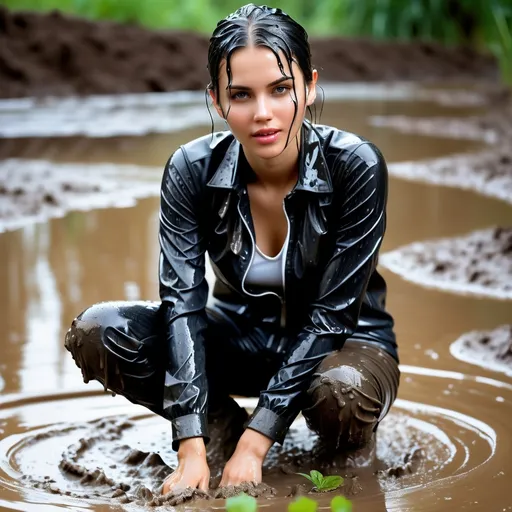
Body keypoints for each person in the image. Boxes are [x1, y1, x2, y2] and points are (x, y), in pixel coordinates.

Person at [64, 3, 400, 495]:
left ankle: (343, 450)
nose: (262, 113)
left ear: (309, 86)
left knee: (341, 393)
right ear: (217, 101)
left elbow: (332, 316)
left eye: (280, 90)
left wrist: (256, 444)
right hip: (243, 337)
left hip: (347, 347)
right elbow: (182, 304)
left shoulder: (356, 165)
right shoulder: (191, 169)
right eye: (241, 95)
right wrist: (191, 443)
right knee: (102, 332)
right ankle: (220, 425)